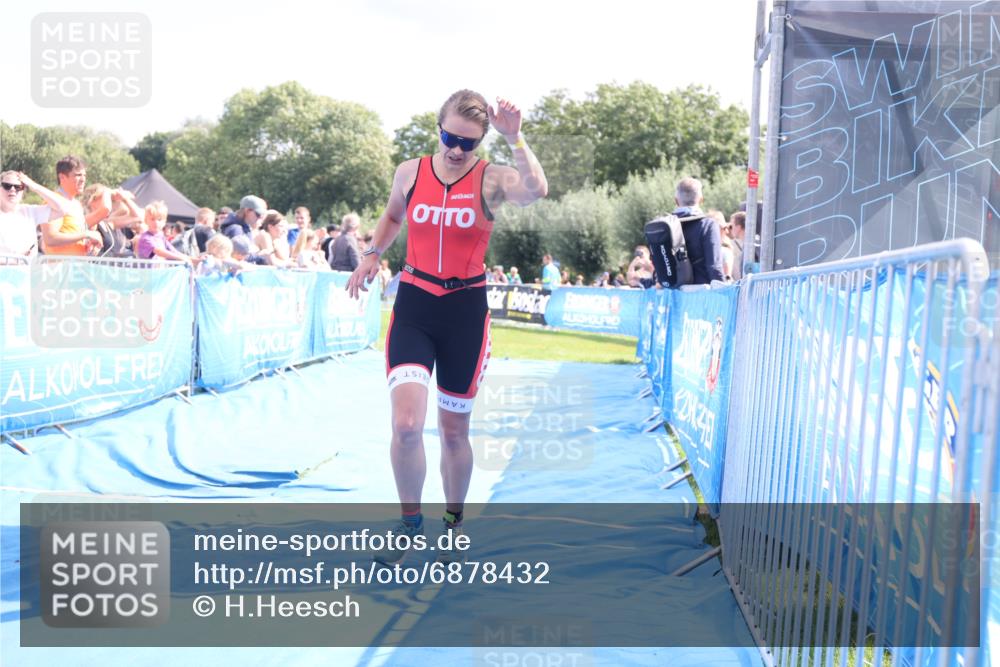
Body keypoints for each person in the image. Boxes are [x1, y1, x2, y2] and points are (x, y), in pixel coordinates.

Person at [346, 90, 547, 565]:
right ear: (437, 128)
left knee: (454, 431)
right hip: (415, 303)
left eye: (469, 143)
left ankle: (454, 523)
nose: (457, 149)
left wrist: (515, 137)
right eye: (449, 137)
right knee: (407, 425)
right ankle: (409, 524)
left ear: (481, 142)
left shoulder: (492, 178)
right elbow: (394, 215)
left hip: (464, 312)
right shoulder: (409, 172)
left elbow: (536, 190)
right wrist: (373, 255)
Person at [0, 170, 79, 258]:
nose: (12, 190)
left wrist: (33, 185)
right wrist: (15, 260)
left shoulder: (30, 211)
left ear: (23, 191)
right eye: (7, 186)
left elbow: (64, 208)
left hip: (24, 270)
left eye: (18, 187)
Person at [40, 156, 103, 256]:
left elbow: (74, 235)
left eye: (84, 175)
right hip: (59, 268)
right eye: (78, 175)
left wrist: (89, 243)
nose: (83, 179)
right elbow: (50, 239)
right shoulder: (53, 201)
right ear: (62, 177)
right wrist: (86, 234)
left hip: (77, 267)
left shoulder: (77, 204)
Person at [673, 177, 724, 285]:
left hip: (670, 294)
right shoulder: (708, 225)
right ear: (701, 199)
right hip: (700, 294)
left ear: (676, 201)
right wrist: (725, 293)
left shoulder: (665, 225)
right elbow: (714, 266)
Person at [730, 211, 746, 281]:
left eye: (731, 226)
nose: (730, 229)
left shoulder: (731, 245)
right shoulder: (759, 242)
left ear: (738, 227)